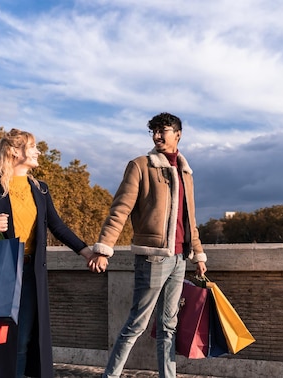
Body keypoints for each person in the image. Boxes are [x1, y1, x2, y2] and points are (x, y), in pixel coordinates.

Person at [0, 128, 93, 378]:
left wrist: (86, 251)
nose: (38, 151)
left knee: (23, 339)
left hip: (29, 274)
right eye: (33, 146)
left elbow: (56, 226)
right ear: (15, 151)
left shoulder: (41, 189)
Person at [89, 112, 208, 378]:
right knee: (137, 324)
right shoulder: (141, 165)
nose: (156, 136)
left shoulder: (186, 172)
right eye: (153, 131)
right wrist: (103, 247)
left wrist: (198, 254)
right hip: (152, 258)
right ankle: (110, 375)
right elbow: (120, 209)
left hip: (179, 258)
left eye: (162, 130)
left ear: (177, 134)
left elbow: (190, 219)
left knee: (169, 326)